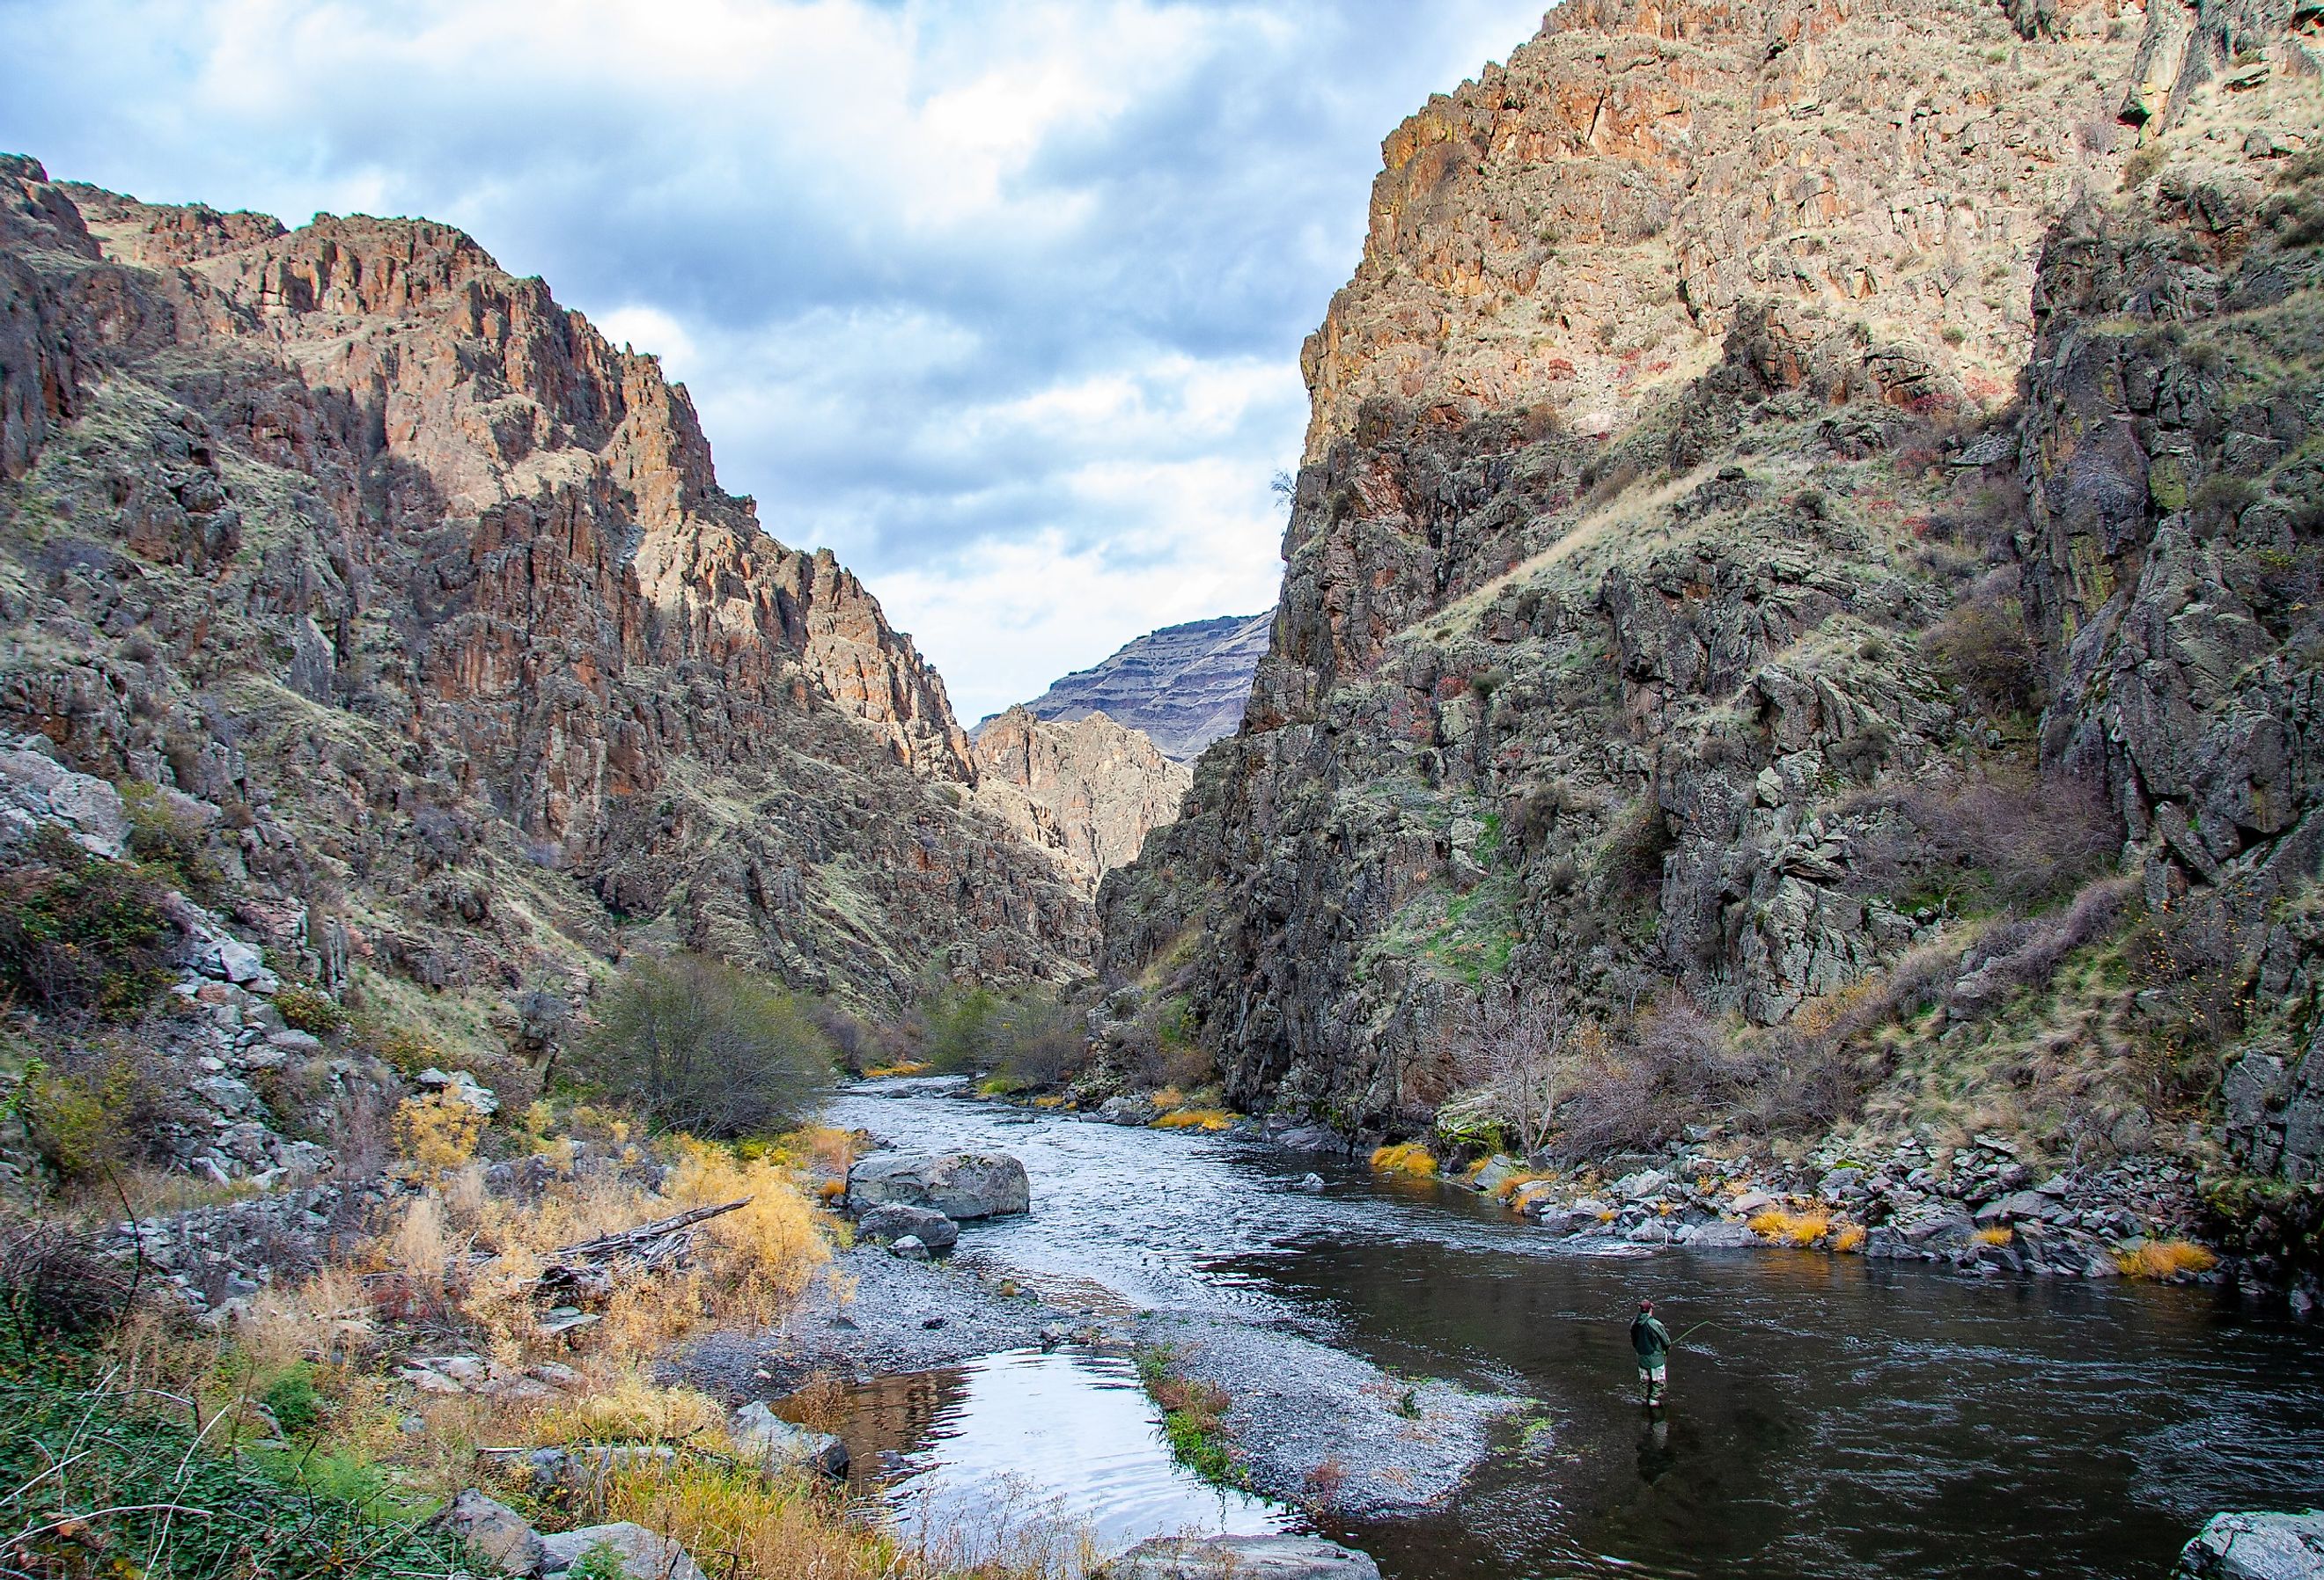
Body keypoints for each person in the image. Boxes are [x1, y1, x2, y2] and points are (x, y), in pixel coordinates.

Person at [1629, 1298, 1671, 1406]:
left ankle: (1644, 1407)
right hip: (1656, 1360)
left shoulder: (1634, 1324)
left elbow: (1634, 1342)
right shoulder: (1655, 1324)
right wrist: (1666, 1348)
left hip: (1641, 1358)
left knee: (1644, 1384)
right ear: (1650, 1310)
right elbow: (1666, 1342)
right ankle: (1655, 1412)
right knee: (1657, 1384)